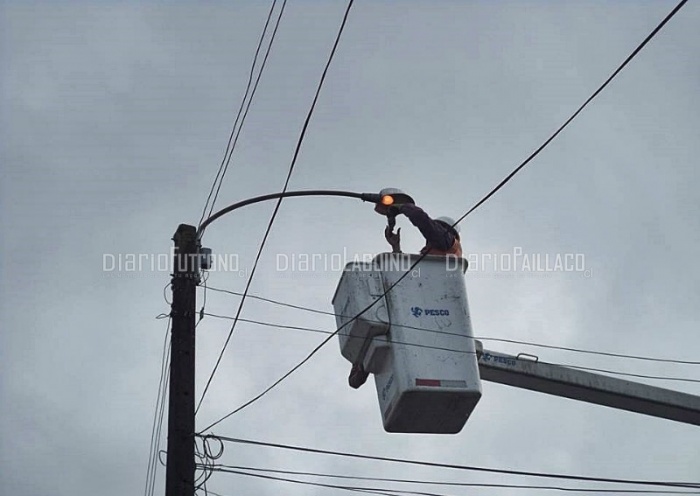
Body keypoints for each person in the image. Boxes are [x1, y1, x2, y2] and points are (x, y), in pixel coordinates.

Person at [347, 203, 462, 389]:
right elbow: (405, 280)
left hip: (434, 308)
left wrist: (403, 206)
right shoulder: (431, 259)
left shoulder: (448, 244)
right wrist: (396, 247)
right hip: (422, 307)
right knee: (383, 312)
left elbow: (423, 222)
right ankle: (362, 361)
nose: (427, 239)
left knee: (386, 312)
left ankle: (361, 364)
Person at [384, 203, 462, 257]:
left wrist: (403, 206)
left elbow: (421, 219)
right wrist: (396, 247)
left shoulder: (449, 242)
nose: (437, 228)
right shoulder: (431, 255)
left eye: (441, 227)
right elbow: (407, 274)